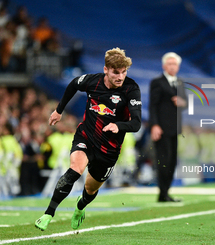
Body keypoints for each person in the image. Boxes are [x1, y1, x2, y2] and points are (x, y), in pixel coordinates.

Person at [35, 47, 141, 231]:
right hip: (86, 136)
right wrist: (59, 110)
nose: (120, 77)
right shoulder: (92, 81)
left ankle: (80, 207)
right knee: (75, 169)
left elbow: (137, 123)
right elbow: (73, 85)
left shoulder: (131, 89)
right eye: (116, 72)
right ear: (106, 69)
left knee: (91, 190)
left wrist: (119, 126)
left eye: (124, 72)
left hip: (109, 149)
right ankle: (48, 214)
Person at [149, 52, 186, 202]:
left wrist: (182, 103)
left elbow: (186, 103)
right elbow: (153, 105)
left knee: (172, 161)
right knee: (163, 161)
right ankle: (162, 193)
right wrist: (154, 125)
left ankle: (166, 192)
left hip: (175, 129)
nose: (172, 66)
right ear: (164, 66)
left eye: (175, 64)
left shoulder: (180, 82)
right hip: (162, 129)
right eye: (170, 63)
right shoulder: (157, 82)